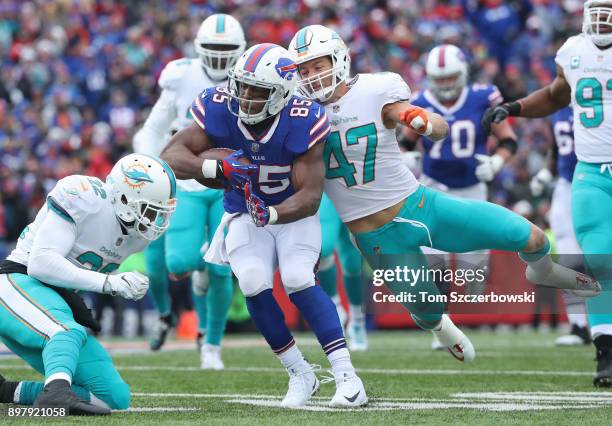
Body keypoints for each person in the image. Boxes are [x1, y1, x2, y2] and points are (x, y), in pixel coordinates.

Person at [289, 24, 600, 363]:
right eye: (304, 70)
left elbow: (433, 125)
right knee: (427, 310)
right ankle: (441, 327)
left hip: (422, 205)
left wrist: (420, 119)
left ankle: (543, 270)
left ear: (339, 59)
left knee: (529, 236)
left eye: (318, 66)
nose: (311, 77)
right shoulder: (298, 113)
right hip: (376, 238)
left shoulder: (376, 89)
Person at [161, 43, 367, 408]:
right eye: (241, 85)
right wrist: (214, 168)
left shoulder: (303, 118)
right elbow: (171, 156)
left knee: (298, 278)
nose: (245, 97)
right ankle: (300, 373)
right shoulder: (220, 106)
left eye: (258, 91)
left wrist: (271, 215)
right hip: (242, 212)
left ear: (282, 93)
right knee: (254, 282)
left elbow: (310, 197)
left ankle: (347, 376)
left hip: (291, 215)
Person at [482, 0, 612, 386]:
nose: (603, 18)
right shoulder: (572, 51)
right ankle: (606, 351)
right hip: (590, 174)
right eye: (599, 10)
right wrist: (515, 107)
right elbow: (557, 94)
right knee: (600, 262)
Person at [0, 154, 177, 415]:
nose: (155, 220)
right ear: (125, 198)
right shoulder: (84, 196)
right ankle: (55, 394)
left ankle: (8, 391)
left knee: (113, 397)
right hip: (16, 284)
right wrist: (109, 283)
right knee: (66, 331)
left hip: (54, 303)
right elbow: (42, 263)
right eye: (149, 209)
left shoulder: (138, 237)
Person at [133, 13, 246, 369]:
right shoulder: (182, 75)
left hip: (230, 180)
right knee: (179, 262)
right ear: (198, 49)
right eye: (212, 49)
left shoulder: (251, 75)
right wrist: (153, 169)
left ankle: (211, 345)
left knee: (222, 270)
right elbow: (152, 129)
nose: (219, 56)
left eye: (226, 49)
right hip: (187, 181)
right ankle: (198, 276)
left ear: (241, 50)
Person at [401, 43, 518, 350]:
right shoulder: (421, 101)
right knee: (433, 259)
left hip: (472, 187)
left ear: (463, 72)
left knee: (472, 274)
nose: (444, 84)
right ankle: (443, 324)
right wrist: (408, 157)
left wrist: (497, 162)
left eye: (449, 76)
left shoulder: (484, 96)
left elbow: (509, 140)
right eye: (438, 78)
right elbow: (405, 142)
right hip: (432, 185)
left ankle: (469, 307)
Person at [530, 106, 591, 346]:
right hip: (567, 184)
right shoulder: (559, 108)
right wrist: (546, 172)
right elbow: (557, 149)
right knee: (569, 260)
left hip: (599, 180)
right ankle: (578, 325)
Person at [318, 194, 367, 351]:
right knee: (323, 248)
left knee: (353, 263)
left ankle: (357, 321)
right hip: (324, 190)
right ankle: (336, 307)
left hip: (355, 190)